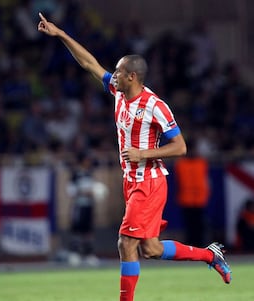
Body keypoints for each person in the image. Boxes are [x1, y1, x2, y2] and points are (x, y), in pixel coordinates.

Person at [37, 13, 231, 301]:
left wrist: (144, 153)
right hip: (132, 182)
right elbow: (89, 63)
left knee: (125, 242)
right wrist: (61, 34)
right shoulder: (117, 91)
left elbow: (180, 147)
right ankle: (209, 255)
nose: (112, 75)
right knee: (149, 249)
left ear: (132, 76)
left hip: (150, 183)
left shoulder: (156, 106)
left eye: (118, 71)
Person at [174, 140, 210, 246]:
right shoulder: (181, 164)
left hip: (199, 198)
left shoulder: (201, 162)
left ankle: (199, 244)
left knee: (199, 224)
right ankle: (192, 245)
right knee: (189, 224)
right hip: (187, 198)